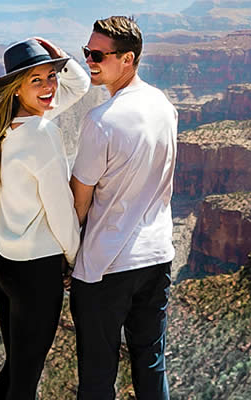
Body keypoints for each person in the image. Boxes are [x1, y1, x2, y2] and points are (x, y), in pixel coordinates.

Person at [69, 16, 177, 400]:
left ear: (127, 58)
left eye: (97, 54)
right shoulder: (165, 106)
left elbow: (80, 198)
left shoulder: (101, 122)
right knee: (151, 363)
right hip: (158, 256)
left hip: (106, 267)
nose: (89, 61)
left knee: (98, 375)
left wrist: (68, 256)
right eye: (87, 53)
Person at [0, 37, 89, 400]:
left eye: (50, 76)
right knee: (25, 381)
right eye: (35, 80)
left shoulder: (9, 126)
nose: (49, 86)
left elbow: (78, 86)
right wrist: (74, 257)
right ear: (16, 89)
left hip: (2, 263)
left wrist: (59, 60)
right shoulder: (42, 134)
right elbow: (60, 209)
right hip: (34, 273)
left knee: (16, 371)